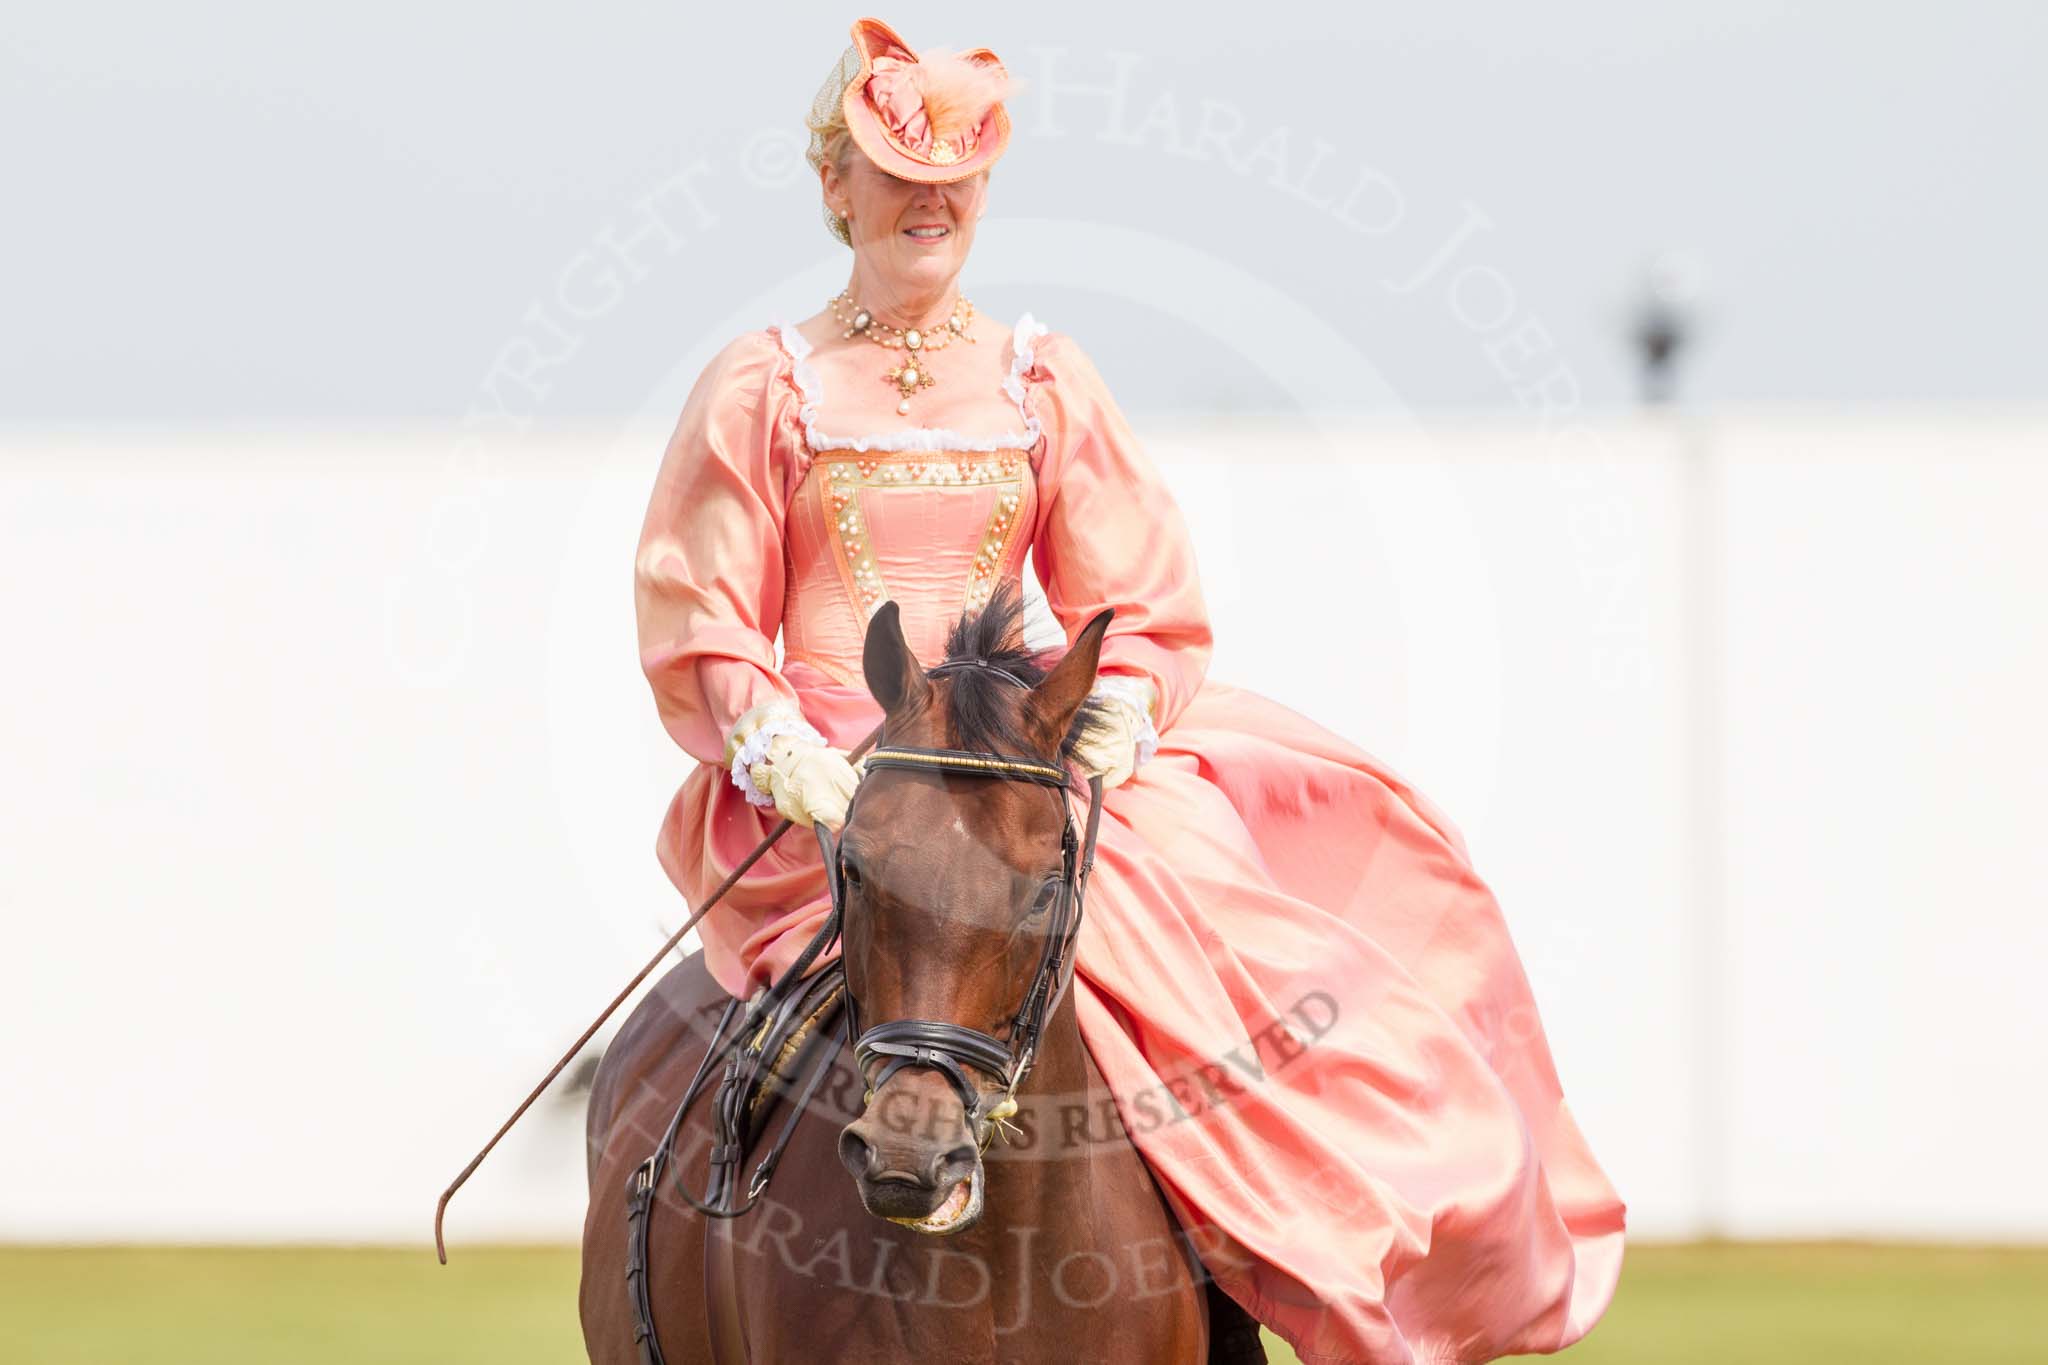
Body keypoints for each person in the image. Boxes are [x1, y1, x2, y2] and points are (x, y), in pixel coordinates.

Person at [632, 17, 1625, 1364]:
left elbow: (1142, 600)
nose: (930, 204)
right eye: (897, 174)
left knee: (1238, 997)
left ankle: (1271, 1267)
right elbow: (703, 601)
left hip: (1015, 772)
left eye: (956, 181)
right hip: (830, 787)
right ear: (834, 185)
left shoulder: (1044, 379)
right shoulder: (765, 386)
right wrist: (768, 740)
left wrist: (1118, 709)